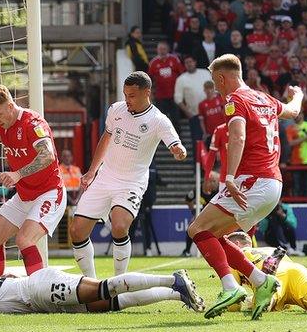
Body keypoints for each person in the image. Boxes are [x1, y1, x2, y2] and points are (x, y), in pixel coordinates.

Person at [187, 54, 303, 320]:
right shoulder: (265, 98)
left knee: (197, 229)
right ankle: (261, 281)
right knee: (212, 234)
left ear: (221, 78)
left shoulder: (235, 100)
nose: (215, 87)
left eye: (215, 82)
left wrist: (228, 177)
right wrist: (298, 94)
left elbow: (237, 136)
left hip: (251, 181)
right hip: (273, 184)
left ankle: (231, 287)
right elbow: (294, 112)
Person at [70, 71, 186, 278]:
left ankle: (117, 283)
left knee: (120, 226)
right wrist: (91, 172)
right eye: (125, 95)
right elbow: (106, 139)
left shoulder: (159, 120)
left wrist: (178, 150)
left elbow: (175, 144)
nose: (127, 100)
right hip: (105, 177)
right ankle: (92, 283)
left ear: (146, 93)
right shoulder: (116, 109)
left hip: (132, 182)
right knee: (77, 231)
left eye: (132, 96)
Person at [0, 84, 66, 276]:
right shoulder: (4, 126)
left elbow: (48, 155)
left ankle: (38, 291)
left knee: (24, 240)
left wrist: (18, 174)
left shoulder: (33, 123)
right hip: (25, 194)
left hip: (49, 193)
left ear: (10, 106)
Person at [0, 267, 204, 316]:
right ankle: (177, 294)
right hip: (37, 298)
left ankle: (171, 279)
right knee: (106, 305)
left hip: (38, 289)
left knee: (101, 289)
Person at [226, 231, 307, 313]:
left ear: (236, 244)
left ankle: (266, 290)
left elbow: (234, 302)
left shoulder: (235, 257)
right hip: (295, 270)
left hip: (275, 277)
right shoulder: (268, 249)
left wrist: (232, 307)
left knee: (263, 305)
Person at [174, 56, 212, 143]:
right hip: (195, 115)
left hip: (210, 112)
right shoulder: (181, 79)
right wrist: (187, 112)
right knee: (198, 141)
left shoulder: (205, 73)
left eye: (190, 62)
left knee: (213, 140)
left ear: (195, 62)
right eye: (187, 63)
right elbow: (178, 99)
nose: (189, 64)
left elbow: (215, 89)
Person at [148, 41, 185, 128]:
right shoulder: (153, 63)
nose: (162, 51)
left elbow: (182, 74)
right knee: (161, 120)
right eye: (160, 49)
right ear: (157, 50)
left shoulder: (174, 59)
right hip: (160, 97)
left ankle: (178, 139)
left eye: (164, 49)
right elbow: (149, 79)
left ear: (168, 49)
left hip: (173, 95)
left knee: (175, 119)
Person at [182, 171, 220, 257]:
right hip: (204, 212)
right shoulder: (197, 190)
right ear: (207, 181)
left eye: (216, 181)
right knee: (192, 228)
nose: (215, 184)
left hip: (216, 213)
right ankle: (187, 251)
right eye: (213, 181)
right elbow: (188, 200)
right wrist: (194, 212)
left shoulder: (218, 191)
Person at [286, 112, 307, 197]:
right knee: (296, 185)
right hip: (295, 161)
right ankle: (296, 204)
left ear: (303, 115)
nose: (297, 116)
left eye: (299, 114)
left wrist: (302, 131)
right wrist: (305, 138)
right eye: (296, 114)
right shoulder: (290, 128)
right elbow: (290, 143)